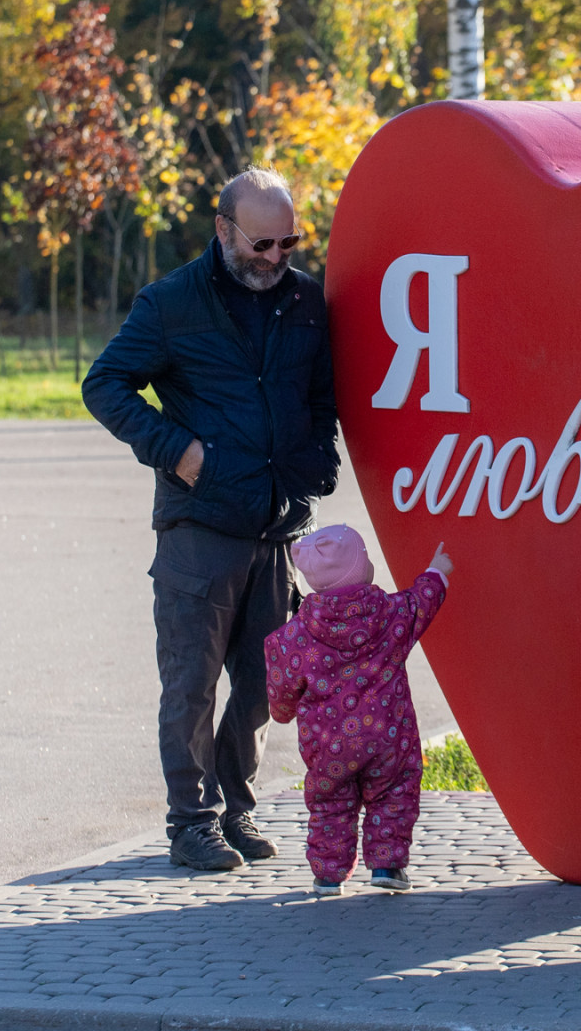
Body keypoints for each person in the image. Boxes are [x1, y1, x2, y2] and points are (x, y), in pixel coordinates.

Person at [82, 167, 339, 872]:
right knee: (191, 685)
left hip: (278, 529)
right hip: (199, 529)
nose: (276, 257)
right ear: (224, 230)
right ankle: (191, 823)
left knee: (263, 685)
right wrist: (178, 452)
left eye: (289, 243)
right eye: (262, 243)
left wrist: (319, 464)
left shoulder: (308, 302)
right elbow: (104, 384)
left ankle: (235, 809)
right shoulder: (171, 303)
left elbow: (323, 397)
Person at [265, 525, 451, 895]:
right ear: (359, 571)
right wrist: (438, 572)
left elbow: (281, 686)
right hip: (389, 737)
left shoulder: (295, 636)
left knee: (330, 804)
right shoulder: (390, 614)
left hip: (328, 745)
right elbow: (421, 601)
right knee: (393, 795)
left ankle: (328, 874)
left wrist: (282, 711)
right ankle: (387, 865)